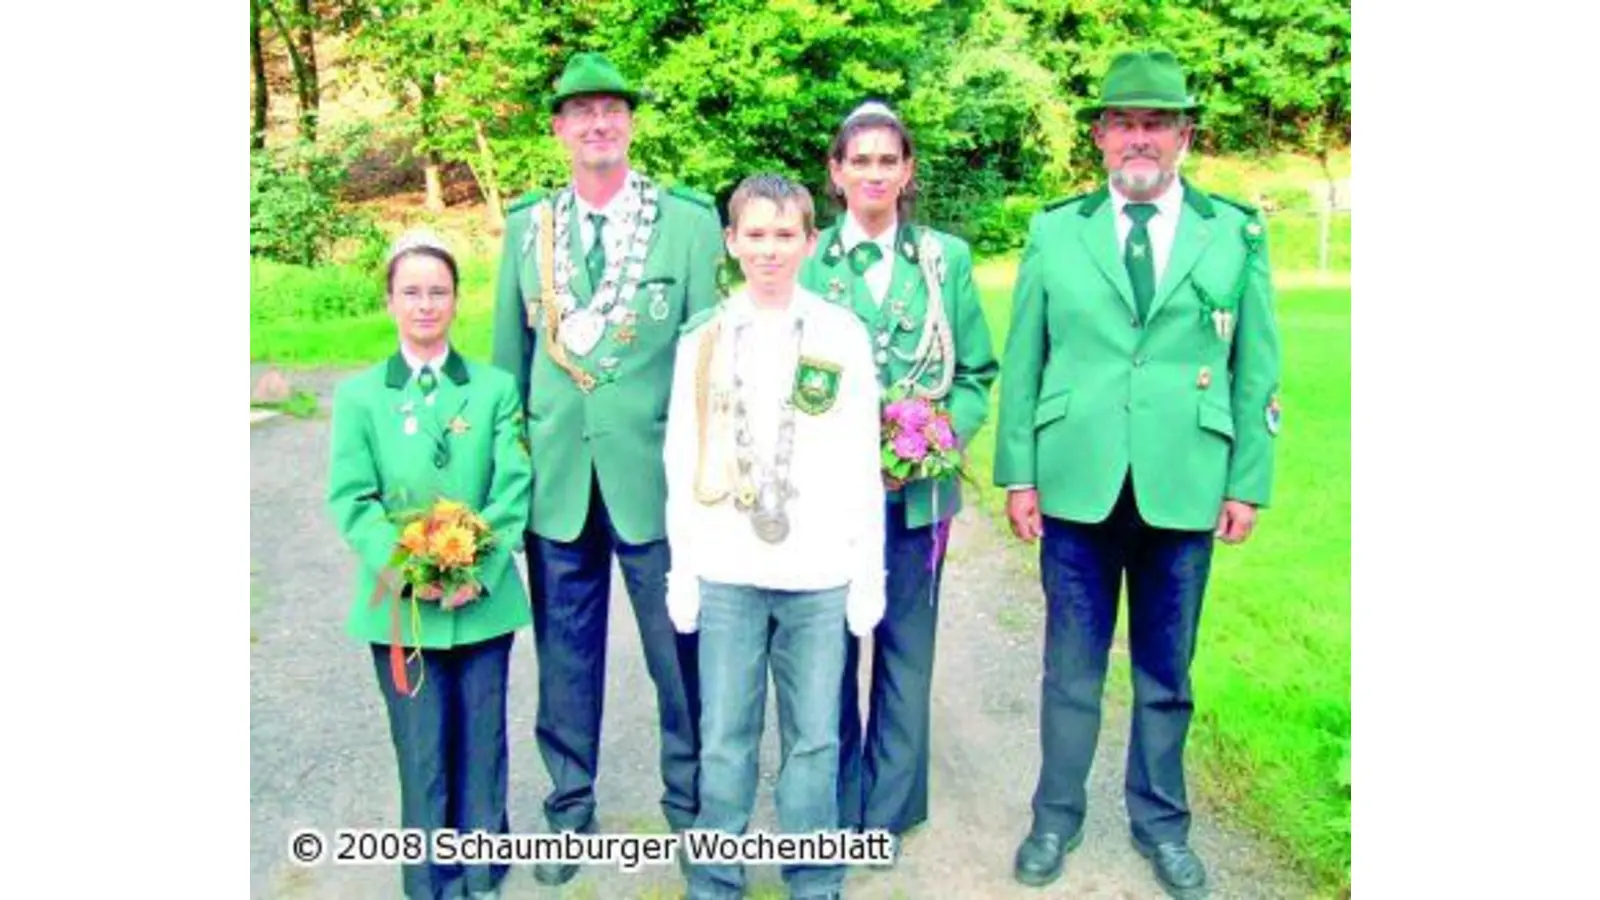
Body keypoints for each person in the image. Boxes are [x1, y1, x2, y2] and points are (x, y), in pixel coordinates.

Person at [992, 50, 1282, 898]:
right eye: (1126, 123)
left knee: (1167, 673)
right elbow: (1026, 359)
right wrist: (1018, 475)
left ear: (1185, 135)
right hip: (1076, 480)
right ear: (1100, 136)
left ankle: (1163, 825)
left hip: (1185, 482)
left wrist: (1246, 480)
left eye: (1158, 123)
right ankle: (1055, 818)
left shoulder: (1233, 232)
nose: (1141, 139)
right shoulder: (1057, 229)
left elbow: (1257, 367)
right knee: (1070, 669)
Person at [488, 50, 726, 885]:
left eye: (612, 109)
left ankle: (693, 810)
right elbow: (505, 372)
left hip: (657, 484)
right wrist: (502, 483)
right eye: (580, 111)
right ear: (557, 129)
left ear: (630, 122)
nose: (598, 123)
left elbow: (709, 366)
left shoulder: (689, 223)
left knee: (680, 651)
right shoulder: (528, 227)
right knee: (565, 652)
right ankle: (569, 807)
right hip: (557, 481)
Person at [664, 173, 885, 900]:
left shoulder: (841, 335)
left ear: (809, 242)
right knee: (725, 736)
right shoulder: (702, 341)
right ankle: (715, 881)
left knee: (815, 739)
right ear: (731, 241)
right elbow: (679, 459)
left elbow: (861, 458)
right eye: (754, 235)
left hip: (819, 574)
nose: (769, 249)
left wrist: (868, 573)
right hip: (727, 570)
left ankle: (814, 879)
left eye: (784, 234)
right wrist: (684, 571)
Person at [797, 100, 998, 855]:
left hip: (919, 494)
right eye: (861, 160)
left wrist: (942, 436)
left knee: (907, 646)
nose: (875, 173)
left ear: (907, 171)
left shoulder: (945, 260)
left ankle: (888, 809)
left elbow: (975, 372)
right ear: (836, 172)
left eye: (889, 160)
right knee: (829, 648)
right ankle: (834, 796)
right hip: (828, 502)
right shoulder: (807, 261)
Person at [327, 229, 533, 900]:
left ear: (455, 300)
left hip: (481, 598)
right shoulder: (360, 397)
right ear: (389, 301)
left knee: (481, 737)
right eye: (411, 292)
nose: (424, 305)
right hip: (402, 605)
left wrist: (477, 565)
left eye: (437, 292)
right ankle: (430, 876)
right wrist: (413, 566)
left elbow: (511, 486)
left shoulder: (495, 389)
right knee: (421, 748)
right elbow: (352, 498)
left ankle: (482, 866)